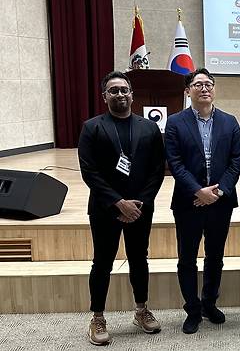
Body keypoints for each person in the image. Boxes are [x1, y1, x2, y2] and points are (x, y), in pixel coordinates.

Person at [78, 71, 165, 345]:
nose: (119, 95)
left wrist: (140, 203)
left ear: (132, 95)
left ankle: (141, 310)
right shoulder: (92, 127)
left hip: (140, 208)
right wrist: (118, 203)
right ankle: (97, 317)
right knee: (102, 263)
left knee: (140, 259)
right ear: (104, 96)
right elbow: (89, 172)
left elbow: (157, 170)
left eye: (124, 90)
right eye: (113, 90)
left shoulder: (148, 128)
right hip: (105, 208)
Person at [164, 68, 240, 334]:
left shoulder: (230, 122)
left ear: (214, 89)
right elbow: (175, 163)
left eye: (209, 84)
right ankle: (193, 308)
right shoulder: (175, 122)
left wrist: (217, 193)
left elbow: (235, 162)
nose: (204, 88)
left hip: (220, 203)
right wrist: (198, 192)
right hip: (188, 202)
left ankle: (209, 302)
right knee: (187, 258)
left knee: (215, 256)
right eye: (198, 84)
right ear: (188, 91)